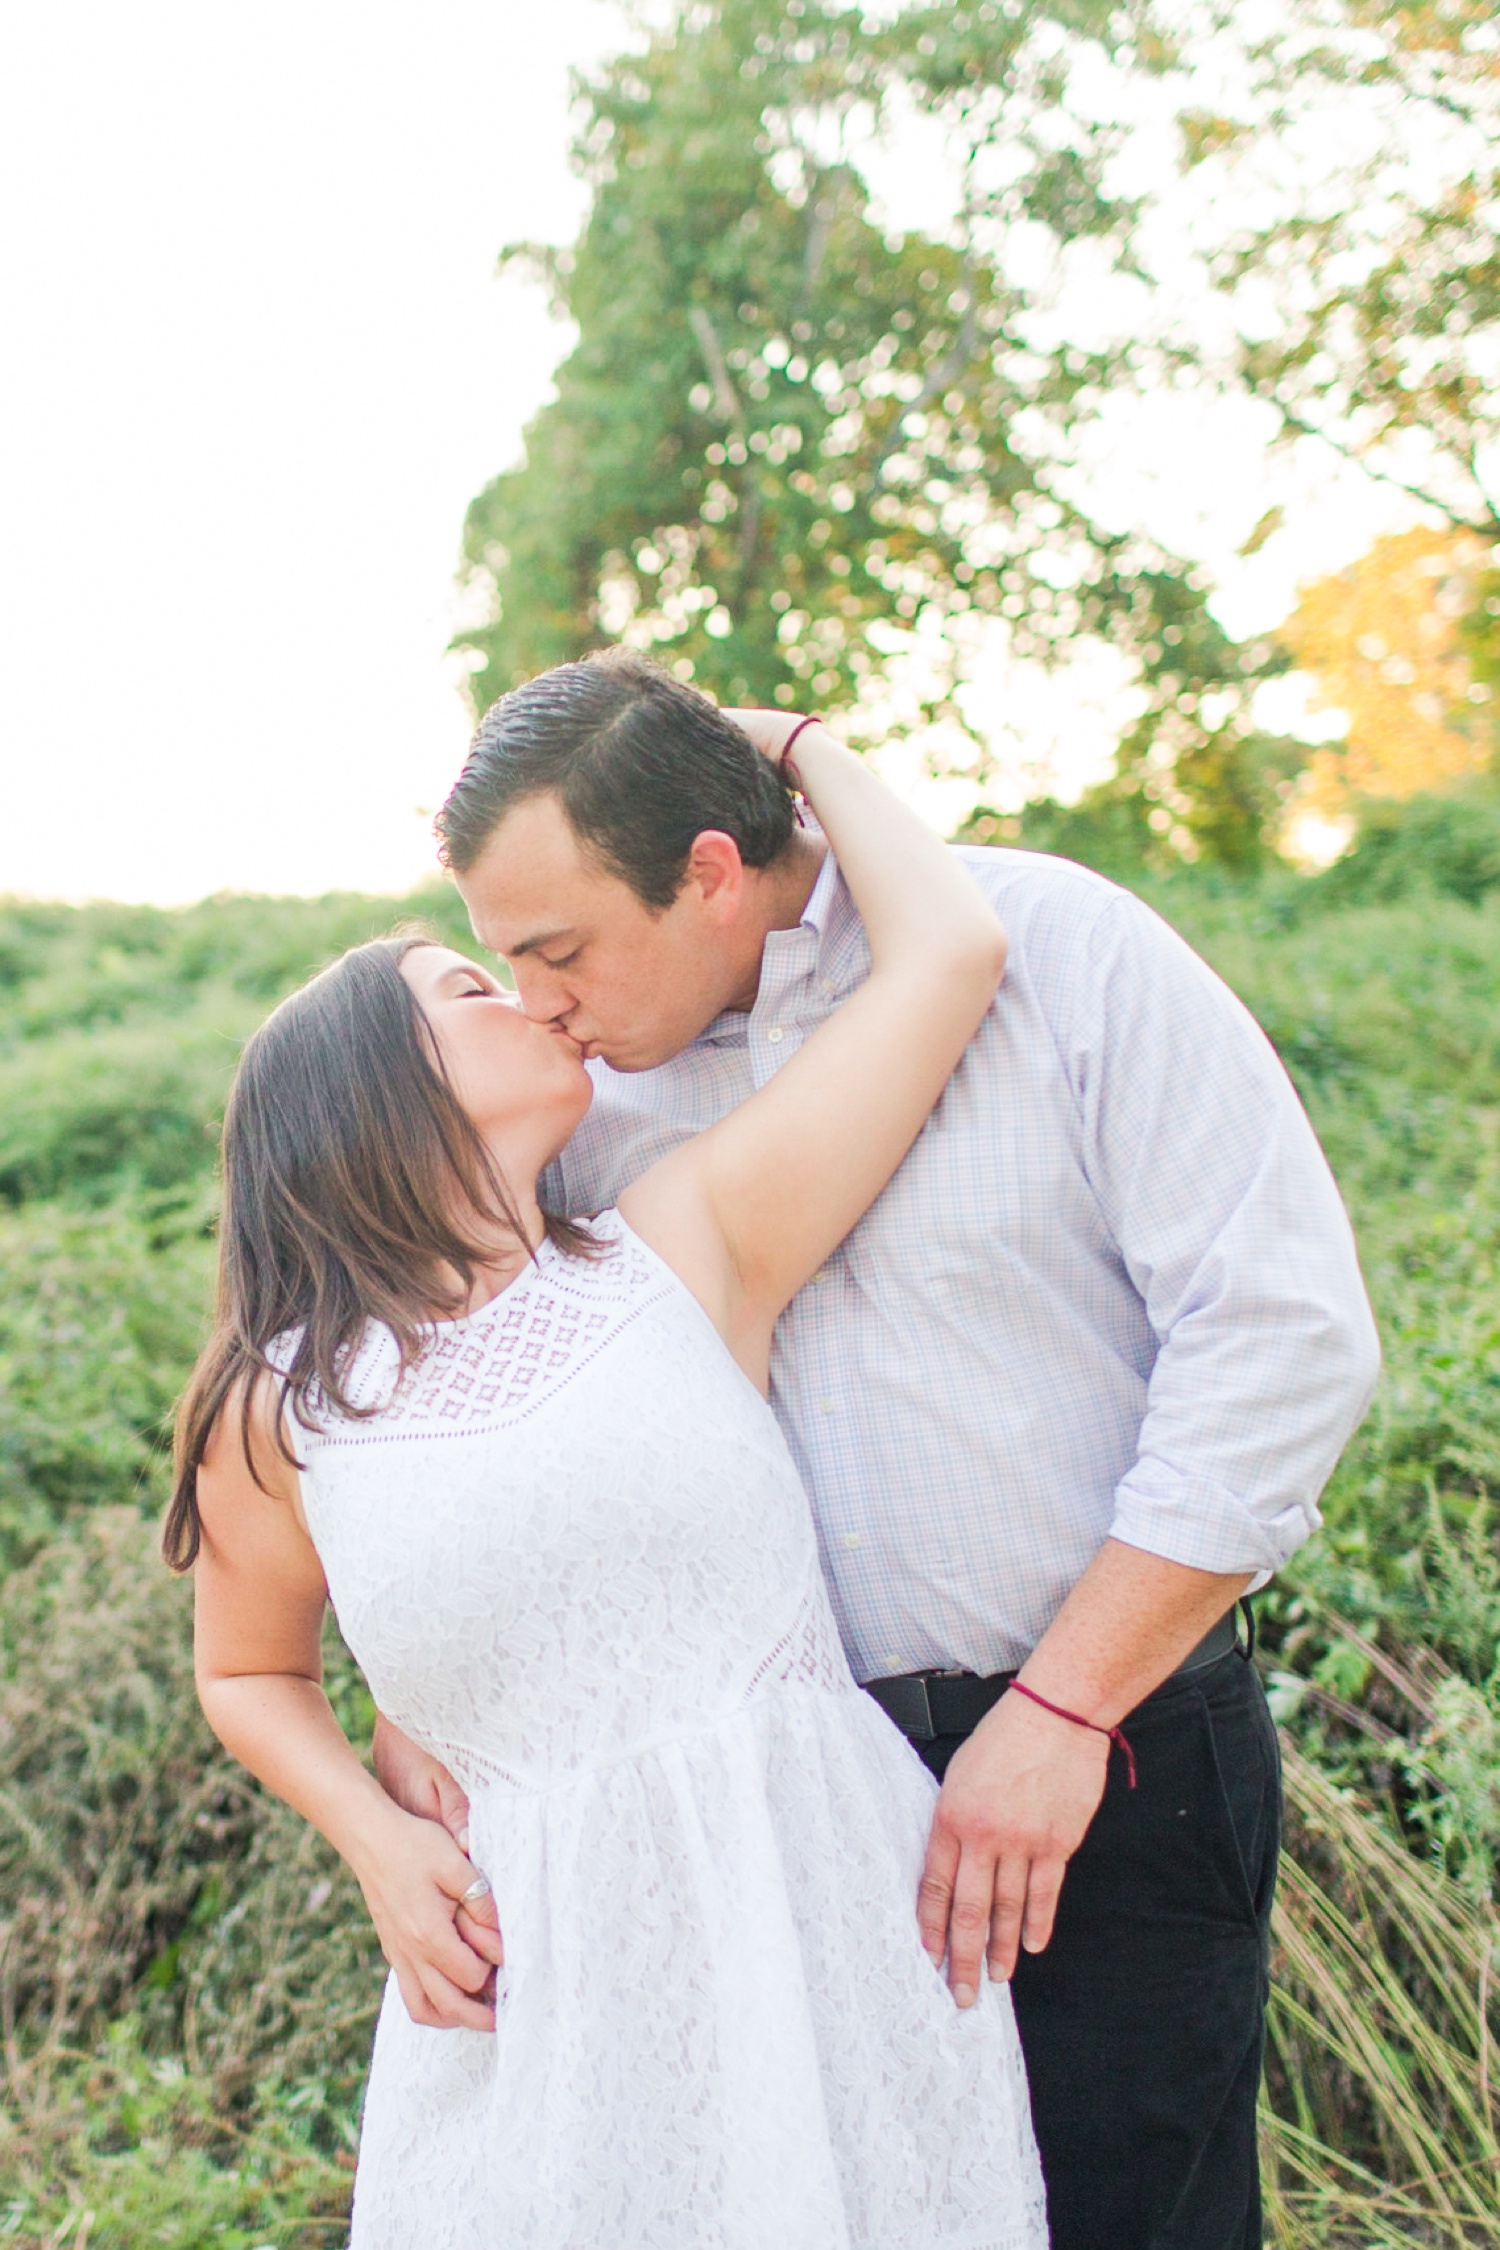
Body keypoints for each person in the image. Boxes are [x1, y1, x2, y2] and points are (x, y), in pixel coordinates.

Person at [378, 650, 1383, 2250]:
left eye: (559, 950)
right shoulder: (575, 1108)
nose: (539, 1002)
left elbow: (1282, 1339)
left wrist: (1063, 1703)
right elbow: (500, 1413)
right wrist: (426, 1691)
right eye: (506, 967)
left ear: (710, 873)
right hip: (783, 1820)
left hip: (1112, 1757)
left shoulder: (1058, 947)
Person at [166, 711, 1049, 2250]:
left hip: (819, 1914)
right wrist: (376, 1840)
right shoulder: (290, 1408)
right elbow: (245, 1665)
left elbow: (948, 954)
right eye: (470, 990)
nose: (532, 1001)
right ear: (374, 1093)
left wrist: (792, 751)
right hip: (543, 1999)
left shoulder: (684, 1248)